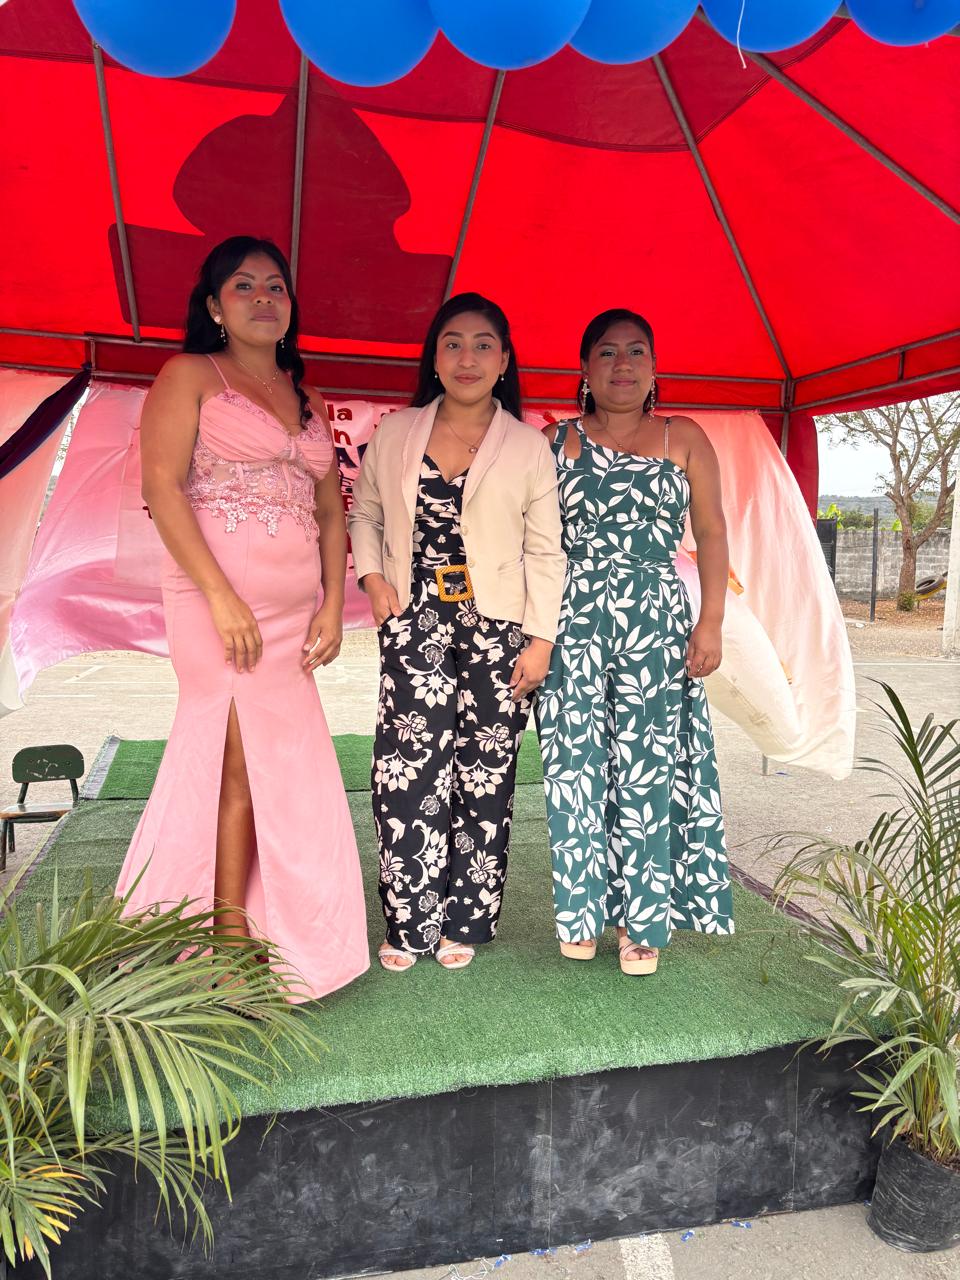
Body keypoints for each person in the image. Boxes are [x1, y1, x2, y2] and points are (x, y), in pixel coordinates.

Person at [116, 235, 369, 1001]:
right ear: (215, 307)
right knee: (233, 761)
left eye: (276, 286)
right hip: (212, 601)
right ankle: (224, 949)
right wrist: (222, 597)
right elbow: (161, 487)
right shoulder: (189, 375)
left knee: (282, 769)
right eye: (244, 286)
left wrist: (333, 602)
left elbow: (331, 511)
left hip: (294, 615)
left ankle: (278, 935)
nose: (264, 297)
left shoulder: (306, 397)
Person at [349, 293, 565, 971]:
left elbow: (546, 550)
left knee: (485, 773)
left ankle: (465, 918)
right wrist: (372, 579)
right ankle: (409, 921)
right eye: (452, 343)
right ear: (434, 358)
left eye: (482, 345)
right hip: (414, 623)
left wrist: (541, 640)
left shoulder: (528, 445)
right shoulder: (395, 432)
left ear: (504, 360)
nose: (467, 357)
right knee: (407, 771)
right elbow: (365, 513)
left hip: (501, 631)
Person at [534, 309, 734, 976]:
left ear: (654, 367)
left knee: (647, 766)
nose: (622, 365)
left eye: (636, 352)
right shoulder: (555, 441)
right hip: (573, 618)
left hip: (655, 620)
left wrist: (711, 622)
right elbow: (534, 542)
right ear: (584, 369)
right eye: (607, 352)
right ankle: (581, 916)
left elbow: (711, 531)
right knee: (575, 765)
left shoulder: (685, 437)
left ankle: (641, 922)